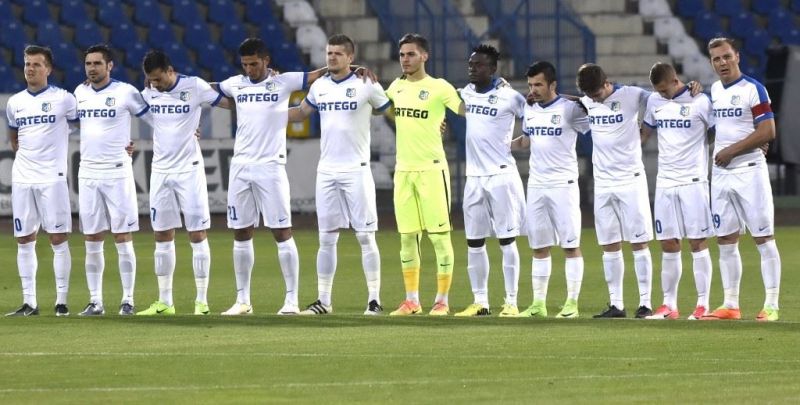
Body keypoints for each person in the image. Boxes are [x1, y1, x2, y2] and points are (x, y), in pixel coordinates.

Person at [215, 38, 331, 315]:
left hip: (270, 166)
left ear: (266, 61)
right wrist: (175, 84)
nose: (249, 69)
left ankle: (291, 300)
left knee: (281, 231)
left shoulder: (283, 81)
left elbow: (316, 75)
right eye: (245, 65)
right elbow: (207, 89)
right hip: (240, 166)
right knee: (241, 232)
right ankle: (243, 301)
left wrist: (353, 68)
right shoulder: (236, 83)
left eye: (254, 64)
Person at [136, 50, 230, 316]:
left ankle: (202, 301)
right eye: (150, 80)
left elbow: (230, 102)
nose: (155, 84)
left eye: (158, 79)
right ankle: (165, 301)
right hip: (160, 171)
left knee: (197, 234)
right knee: (161, 235)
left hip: (189, 170)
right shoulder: (148, 92)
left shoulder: (195, 86)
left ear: (170, 70)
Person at [384, 33, 465, 316]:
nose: (405, 59)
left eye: (411, 54)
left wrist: (490, 92)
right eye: (402, 54)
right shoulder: (395, 87)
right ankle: (412, 301)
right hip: (403, 171)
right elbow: (384, 110)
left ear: (424, 56)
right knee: (407, 238)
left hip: (432, 170)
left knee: (440, 238)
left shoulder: (439, 87)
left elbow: (465, 110)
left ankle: (442, 301)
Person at [703, 37, 781, 321]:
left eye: (726, 56)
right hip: (721, 174)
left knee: (763, 237)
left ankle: (771, 305)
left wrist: (731, 150)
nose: (722, 62)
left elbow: (768, 131)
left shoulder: (753, 89)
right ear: (712, 63)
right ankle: (730, 305)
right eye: (716, 59)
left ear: (737, 56)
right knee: (725, 239)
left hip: (749, 171)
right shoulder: (714, 90)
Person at [73, 44, 150, 316]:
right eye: (88, 64)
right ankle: (95, 301)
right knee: (92, 237)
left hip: (117, 171)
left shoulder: (126, 92)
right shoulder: (79, 92)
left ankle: (127, 300)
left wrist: (187, 131)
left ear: (109, 66)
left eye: (97, 63)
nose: (92, 68)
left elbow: (155, 119)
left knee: (122, 235)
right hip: (88, 172)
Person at [576, 63, 655, 318]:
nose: (595, 99)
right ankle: (616, 304)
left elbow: (663, 98)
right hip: (603, 183)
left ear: (607, 83)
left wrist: (690, 89)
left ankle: (645, 303)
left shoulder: (632, 94)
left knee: (639, 242)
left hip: (630, 180)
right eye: (590, 95)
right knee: (609, 244)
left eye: (597, 94)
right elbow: (571, 100)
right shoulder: (588, 101)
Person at [5, 45, 77, 317]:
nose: (30, 68)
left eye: (36, 64)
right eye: (27, 64)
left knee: (57, 237)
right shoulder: (15, 102)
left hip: (52, 178)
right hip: (23, 178)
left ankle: (61, 302)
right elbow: (14, 137)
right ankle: (29, 303)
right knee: (24, 239)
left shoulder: (64, 99)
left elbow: (88, 126)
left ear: (48, 69)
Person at [454, 44, 525, 317]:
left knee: (507, 241)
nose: (473, 69)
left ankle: (511, 302)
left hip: (501, 176)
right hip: (474, 178)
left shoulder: (510, 96)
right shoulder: (466, 93)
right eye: (471, 64)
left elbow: (535, 114)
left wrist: (518, 142)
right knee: (474, 242)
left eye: (479, 65)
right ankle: (480, 301)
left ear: (493, 68)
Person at [515, 61, 590, 319]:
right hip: (536, 185)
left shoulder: (570, 110)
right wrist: (500, 145)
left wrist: (573, 98)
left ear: (553, 85)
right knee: (539, 247)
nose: (533, 90)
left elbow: (594, 117)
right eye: (530, 85)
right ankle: (538, 304)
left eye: (538, 84)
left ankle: (572, 303)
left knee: (570, 245)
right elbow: (526, 141)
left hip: (563, 185)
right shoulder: (530, 108)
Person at [640, 62, 715, 320]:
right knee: (668, 242)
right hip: (665, 182)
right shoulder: (654, 101)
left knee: (697, 241)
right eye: (657, 91)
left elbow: (716, 134)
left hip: (693, 181)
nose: (661, 94)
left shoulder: (700, 101)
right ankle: (669, 305)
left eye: (664, 89)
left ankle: (703, 304)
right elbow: (644, 134)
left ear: (675, 81)